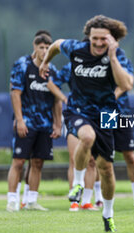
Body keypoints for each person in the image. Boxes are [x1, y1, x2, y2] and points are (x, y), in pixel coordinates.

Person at [40, 15, 133, 232]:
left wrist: (112, 57)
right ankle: (78, 184)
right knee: (87, 136)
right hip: (78, 110)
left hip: (107, 113)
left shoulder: (117, 54)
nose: (99, 43)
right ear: (88, 37)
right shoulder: (76, 49)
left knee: (106, 169)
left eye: (104, 39)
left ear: (111, 39)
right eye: (95, 39)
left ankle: (108, 214)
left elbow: (127, 83)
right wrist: (45, 62)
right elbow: (55, 45)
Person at [7, 34, 62, 212]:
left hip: (45, 124)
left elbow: (56, 100)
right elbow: (15, 93)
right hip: (27, 122)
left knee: (38, 162)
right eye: (42, 47)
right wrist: (20, 119)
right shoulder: (22, 65)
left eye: (48, 48)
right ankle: (12, 200)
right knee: (19, 162)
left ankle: (31, 201)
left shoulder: (51, 70)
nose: (45, 51)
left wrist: (57, 124)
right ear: (35, 46)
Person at [50, 62, 99, 211]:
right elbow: (51, 84)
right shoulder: (72, 65)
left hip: (95, 117)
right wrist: (64, 98)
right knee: (74, 159)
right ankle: (74, 201)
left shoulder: (103, 66)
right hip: (75, 116)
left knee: (91, 161)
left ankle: (86, 201)